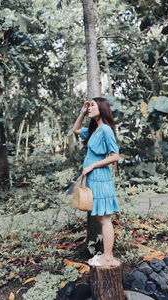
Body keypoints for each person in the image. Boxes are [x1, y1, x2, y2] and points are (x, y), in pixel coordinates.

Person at [72, 96, 121, 267]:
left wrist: (93, 165)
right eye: (89, 106)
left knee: (105, 219)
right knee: (101, 219)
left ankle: (108, 257)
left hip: (101, 177)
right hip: (93, 178)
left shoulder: (106, 130)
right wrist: (83, 111)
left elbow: (115, 156)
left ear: (102, 108)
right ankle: (107, 254)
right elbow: (75, 129)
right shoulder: (94, 130)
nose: (90, 108)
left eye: (92, 105)